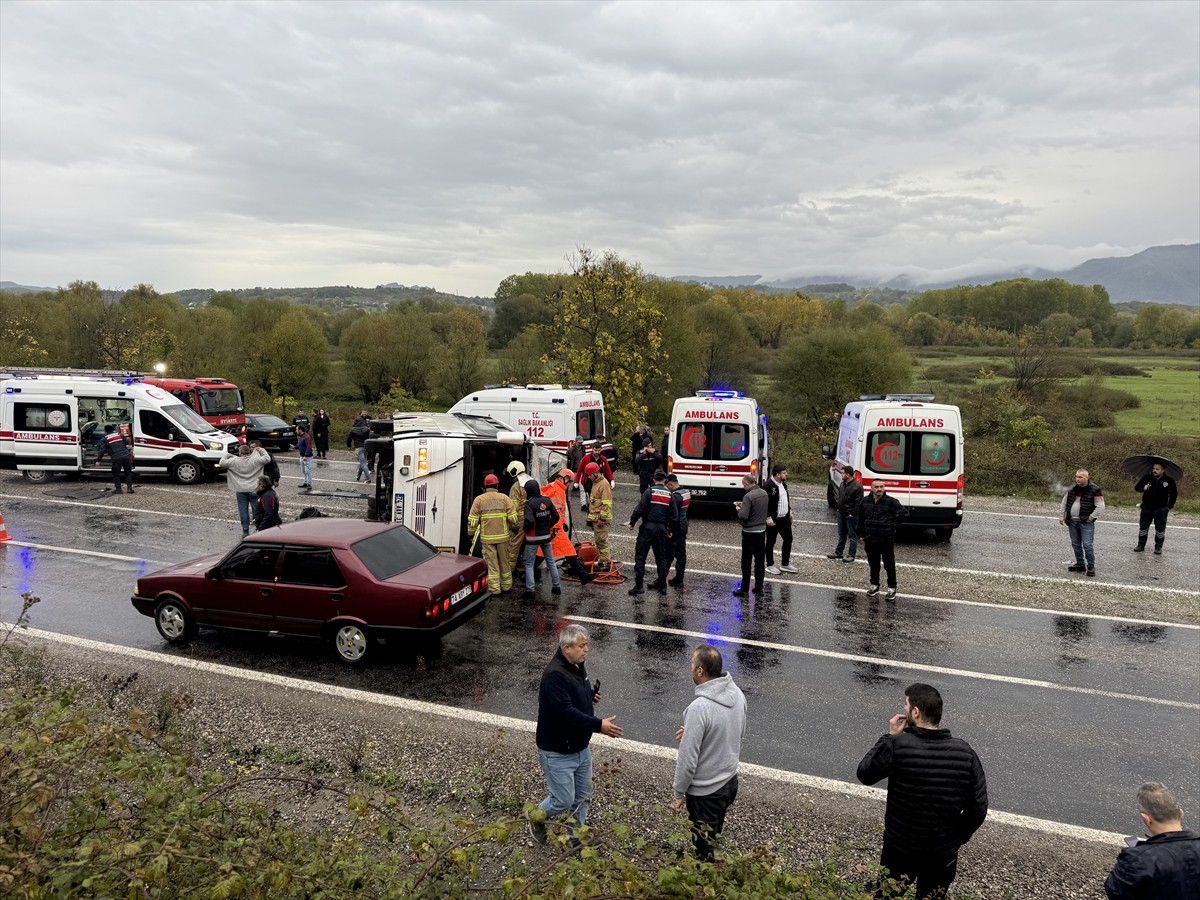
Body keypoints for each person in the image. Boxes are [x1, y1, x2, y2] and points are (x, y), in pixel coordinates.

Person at [857, 683, 988, 899]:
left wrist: (889, 737)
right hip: (941, 853)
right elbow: (978, 808)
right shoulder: (966, 753)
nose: (904, 709)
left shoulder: (898, 745)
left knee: (888, 895)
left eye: (906, 705)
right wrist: (955, 839)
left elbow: (865, 773)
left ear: (915, 712)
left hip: (899, 848)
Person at [529, 624, 623, 845]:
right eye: (581, 646)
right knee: (562, 800)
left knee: (582, 798)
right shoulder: (554, 675)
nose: (586, 650)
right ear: (566, 648)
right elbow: (565, 713)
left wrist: (589, 697)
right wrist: (598, 725)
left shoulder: (577, 665)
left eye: (586, 645)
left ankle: (575, 839)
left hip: (580, 747)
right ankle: (535, 817)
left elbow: (572, 698)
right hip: (557, 751)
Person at [671, 645, 747, 861]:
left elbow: (687, 761)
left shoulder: (699, 708)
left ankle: (704, 879)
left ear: (700, 671)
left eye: (692, 665)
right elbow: (737, 732)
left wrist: (678, 793)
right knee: (714, 833)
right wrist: (699, 732)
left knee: (703, 847)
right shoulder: (737, 694)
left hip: (705, 792)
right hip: (729, 783)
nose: (691, 668)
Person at [1105, 782, 1200, 899]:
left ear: (1146, 819)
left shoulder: (1138, 859)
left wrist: (1138, 852)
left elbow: (1115, 891)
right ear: (1181, 814)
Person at [540, 469, 596, 584]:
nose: (569, 484)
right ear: (564, 478)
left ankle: (583, 576)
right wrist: (556, 527)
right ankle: (583, 576)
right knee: (569, 551)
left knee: (542, 552)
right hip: (554, 529)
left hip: (551, 528)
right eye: (569, 481)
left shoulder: (553, 487)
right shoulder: (558, 491)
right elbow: (555, 512)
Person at [467, 473, 519, 593]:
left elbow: (472, 521)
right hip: (503, 537)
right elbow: (513, 517)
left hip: (487, 539)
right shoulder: (505, 498)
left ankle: (495, 589)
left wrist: (471, 534)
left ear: (485, 486)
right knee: (504, 562)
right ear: (497, 485)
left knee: (492, 564)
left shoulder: (479, 500)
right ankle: (506, 586)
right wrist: (514, 528)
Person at [627, 468, 675, 596]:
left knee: (641, 557)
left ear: (654, 479)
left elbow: (639, 509)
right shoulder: (669, 494)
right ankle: (662, 587)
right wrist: (670, 530)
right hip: (661, 529)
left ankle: (639, 586)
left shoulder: (649, 492)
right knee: (661, 558)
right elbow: (673, 515)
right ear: (665, 480)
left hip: (647, 528)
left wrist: (632, 522)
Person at [858, 480, 907, 599]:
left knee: (889, 564)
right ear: (871, 488)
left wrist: (893, 524)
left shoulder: (891, 502)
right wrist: (861, 534)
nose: (879, 489)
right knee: (873, 564)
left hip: (886, 539)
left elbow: (904, 513)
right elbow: (860, 518)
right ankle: (874, 586)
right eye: (876, 487)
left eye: (881, 487)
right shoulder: (865, 501)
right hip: (870, 539)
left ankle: (892, 588)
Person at [1059, 468, 1104, 577]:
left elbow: (1100, 506)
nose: (1077, 479)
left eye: (1080, 477)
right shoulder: (1072, 489)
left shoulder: (1095, 489)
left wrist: (1091, 518)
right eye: (1076, 477)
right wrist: (1062, 515)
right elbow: (1064, 502)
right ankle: (1080, 564)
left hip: (1086, 523)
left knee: (1087, 545)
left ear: (1087, 478)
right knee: (1076, 544)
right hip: (1072, 522)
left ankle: (1091, 566)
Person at [221, 443, 270, 537]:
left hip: (240, 489)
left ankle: (245, 530)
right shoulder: (255, 460)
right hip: (254, 488)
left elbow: (222, 462)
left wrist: (228, 454)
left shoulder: (234, 461)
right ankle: (258, 527)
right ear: (249, 451)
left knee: (243, 510)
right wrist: (261, 449)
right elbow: (267, 458)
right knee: (256, 509)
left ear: (240, 453)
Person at [522, 480, 560, 599]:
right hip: (546, 537)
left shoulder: (529, 504)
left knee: (529, 564)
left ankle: (530, 590)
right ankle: (556, 587)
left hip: (533, 538)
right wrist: (548, 526)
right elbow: (556, 516)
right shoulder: (547, 500)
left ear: (528, 491)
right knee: (550, 562)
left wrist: (525, 529)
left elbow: (530, 521)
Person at [734, 475, 768, 597]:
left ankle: (744, 589)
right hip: (761, 531)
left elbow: (744, 516)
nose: (743, 487)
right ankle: (759, 587)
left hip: (749, 532)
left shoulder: (748, 496)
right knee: (759, 561)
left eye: (744, 485)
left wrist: (739, 509)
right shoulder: (764, 493)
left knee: (746, 561)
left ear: (746, 484)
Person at [1134, 462, 1178, 555]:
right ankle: (1141, 545)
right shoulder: (1147, 478)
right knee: (1143, 527)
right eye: (1154, 468)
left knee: (1160, 529)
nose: (1154, 470)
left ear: (1163, 470)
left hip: (1161, 509)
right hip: (1147, 508)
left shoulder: (1169, 481)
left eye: (1157, 469)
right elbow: (1137, 488)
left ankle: (1158, 547)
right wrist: (1143, 488)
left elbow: (1174, 495)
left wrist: (1168, 507)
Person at [764, 464, 797, 575]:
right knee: (770, 542)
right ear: (778, 474)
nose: (786, 474)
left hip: (784, 519)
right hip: (773, 520)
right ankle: (770, 564)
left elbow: (785, 499)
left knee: (788, 539)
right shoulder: (768, 486)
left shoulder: (784, 485)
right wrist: (768, 517)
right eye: (784, 473)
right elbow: (765, 504)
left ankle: (785, 564)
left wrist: (790, 512)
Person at [828, 465, 863, 562]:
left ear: (848, 474)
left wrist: (852, 513)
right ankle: (838, 552)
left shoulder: (857, 486)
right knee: (842, 534)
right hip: (841, 513)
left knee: (852, 535)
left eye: (843, 473)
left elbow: (858, 502)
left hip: (850, 515)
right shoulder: (843, 484)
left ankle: (851, 555)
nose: (841, 474)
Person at [585, 462, 614, 571]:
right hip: (596, 518)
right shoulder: (596, 482)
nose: (589, 477)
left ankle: (605, 563)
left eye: (590, 475)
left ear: (596, 473)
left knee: (602, 542)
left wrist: (602, 518)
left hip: (600, 519)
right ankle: (603, 561)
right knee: (599, 541)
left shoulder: (604, 484)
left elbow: (606, 503)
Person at [664, 472, 691, 587]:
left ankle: (661, 579)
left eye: (667, 487)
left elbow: (673, 515)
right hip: (684, 524)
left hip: (676, 527)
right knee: (681, 553)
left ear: (670, 484)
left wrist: (670, 530)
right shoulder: (686, 492)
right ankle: (679, 579)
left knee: (668, 554)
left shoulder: (675, 496)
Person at [507, 460, 532, 576]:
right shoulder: (531, 481)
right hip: (531, 516)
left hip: (520, 518)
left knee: (514, 544)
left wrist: (512, 523)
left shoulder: (515, 487)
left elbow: (513, 508)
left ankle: (510, 569)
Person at [96, 424, 134, 494]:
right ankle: (129, 488)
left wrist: (98, 460)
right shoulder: (120, 435)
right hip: (126, 456)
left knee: (116, 474)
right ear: (113, 429)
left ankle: (118, 489)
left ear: (105, 430)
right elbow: (127, 442)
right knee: (128, 472)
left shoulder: (105, 439)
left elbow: (102, 450)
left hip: (116, 457)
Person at [346, 413, 371, 482]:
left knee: (363, 463)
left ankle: (367, 478)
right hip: (366, 446)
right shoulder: (366, 429)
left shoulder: (353, 429)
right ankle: (358, 476)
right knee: (362, 462)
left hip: (358, 447)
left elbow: (349, 438)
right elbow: (369, 437)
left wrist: (348, 445)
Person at [296, 425, 313, 490]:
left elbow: (309, 447)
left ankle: (309, 483)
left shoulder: (307, 437)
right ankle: (305, 482)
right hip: (302, 456)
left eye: (297, 429)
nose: (296, 431)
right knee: (303, 470)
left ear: (300, 430)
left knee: (307, 470)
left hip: (307, 457)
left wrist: (306, 455)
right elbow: (300, 444)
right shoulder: (299, 436)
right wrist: (296, 446)